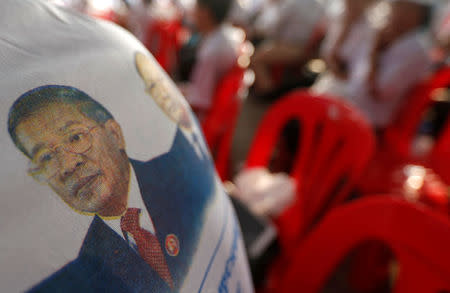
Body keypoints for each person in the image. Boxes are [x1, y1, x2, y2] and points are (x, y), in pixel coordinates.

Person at [0, 0, 253, 292]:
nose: (69, 165)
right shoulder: (115, 42)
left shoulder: (177, 163)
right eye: (46, 157)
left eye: (75, 138)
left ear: (115, 132)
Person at [313, 0, 434, 129]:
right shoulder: (381, 32)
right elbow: (341, 64)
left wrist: (374, 52)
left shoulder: (415, 50)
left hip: (366, 120)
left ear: (416, 14)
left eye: (401, 7)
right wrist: (349, 21)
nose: (393, 10)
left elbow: (380, 90)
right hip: (346, 106)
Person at [180, 0, 241, 120]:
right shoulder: (227, 36)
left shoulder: (211, 53)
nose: (192, 12)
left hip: (200, 119)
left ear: (205, 12)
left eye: (196, 7)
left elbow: (199, 101)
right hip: (211, 96)